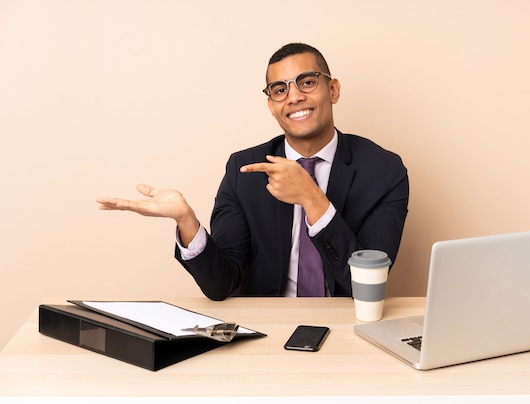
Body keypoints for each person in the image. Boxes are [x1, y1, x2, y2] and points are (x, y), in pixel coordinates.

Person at [97, 43, 409, 300]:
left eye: (307, 82)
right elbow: (222, 285)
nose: (295, 97)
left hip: (349, 327)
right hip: (267, 328)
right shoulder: (242, 171)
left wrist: (313, 199)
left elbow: (365, 286)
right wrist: (187, 221)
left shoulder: (384, 171)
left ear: (334, 89)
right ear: (272, 105)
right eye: (279, 90)